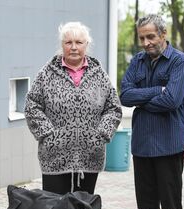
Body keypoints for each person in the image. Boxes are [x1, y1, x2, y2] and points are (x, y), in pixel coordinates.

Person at [25, 22, 122, 195]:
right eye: (69, 42)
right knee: (54, 208)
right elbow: (32, 105)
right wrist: (49, 135)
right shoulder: (46, 73)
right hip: (54, 155)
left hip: (90, 154)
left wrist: (101, 135)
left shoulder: (99, 74)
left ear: (87, 44)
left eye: (79, 42)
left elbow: (113, 108)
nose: (74, 47)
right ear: (62, 45)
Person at [120, 14, 184, 209]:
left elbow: (171, 100)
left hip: (168, 146)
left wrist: (140, 100)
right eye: (142, 38)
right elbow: (124, 96)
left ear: (163, 33)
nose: (146, 43)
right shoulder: (137, 61)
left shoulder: (180, 61)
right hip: (142, 147)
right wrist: (157, 91)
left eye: (150, 37)